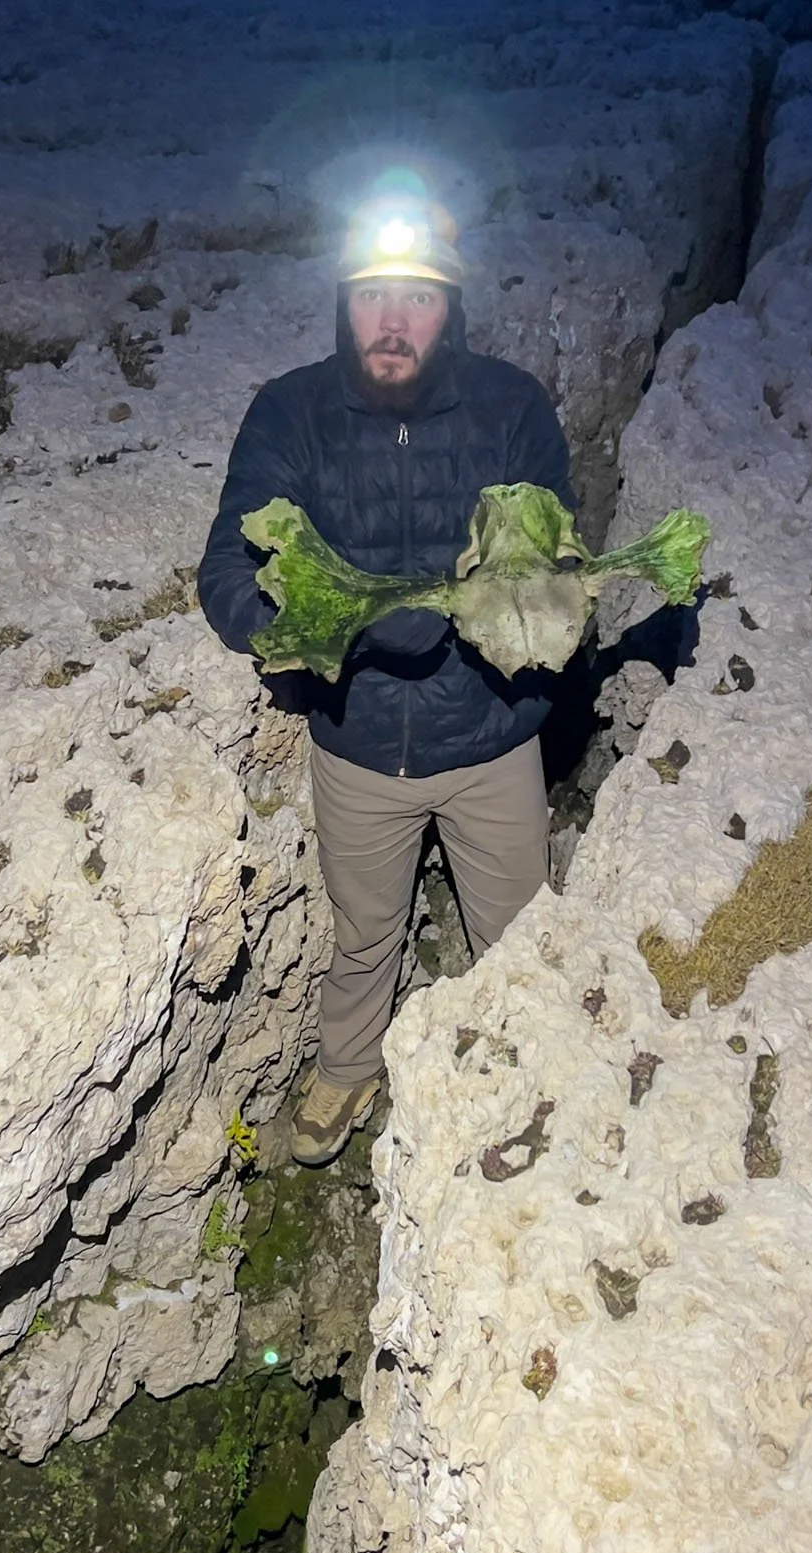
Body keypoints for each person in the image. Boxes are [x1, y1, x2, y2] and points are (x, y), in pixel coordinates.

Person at [197, 187, 574, 1166]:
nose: (394, 320)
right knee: (364, 932)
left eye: (418, 296)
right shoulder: (291, 412)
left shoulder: (511, 406)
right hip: (357, 744)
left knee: (520, 939)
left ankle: (527, 1073)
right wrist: (330, 627)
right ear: (342, 305)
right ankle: (349, 1060)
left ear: (451, 310)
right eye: (373, 296)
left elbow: (555, 567)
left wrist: (495, 609)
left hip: (492, 737)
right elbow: (226, 571)